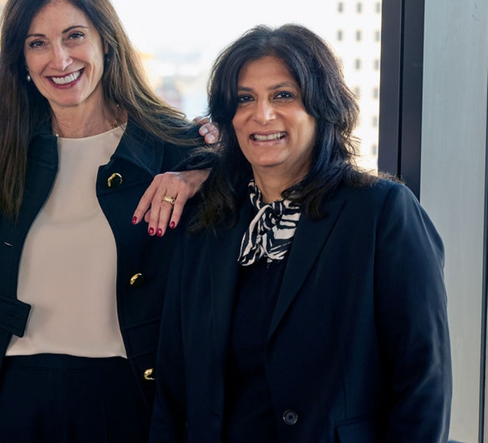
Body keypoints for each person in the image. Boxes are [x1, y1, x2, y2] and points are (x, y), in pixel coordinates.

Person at [149, 24, 452, 442]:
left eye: (283, 95)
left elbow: (423, 381)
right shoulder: (208, 222)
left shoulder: (381, 212)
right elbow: (173, 384)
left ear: (321, 106)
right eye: (245, 99)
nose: (262, 114)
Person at [0, 0, 210, 443]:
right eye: (37, 43)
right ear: (21, 60)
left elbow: (257, 186)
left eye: (74, 36)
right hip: (13, 399)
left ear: (106, 42)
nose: (59, 59)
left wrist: (205, 172)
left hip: (125, 397)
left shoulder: (173, 149)